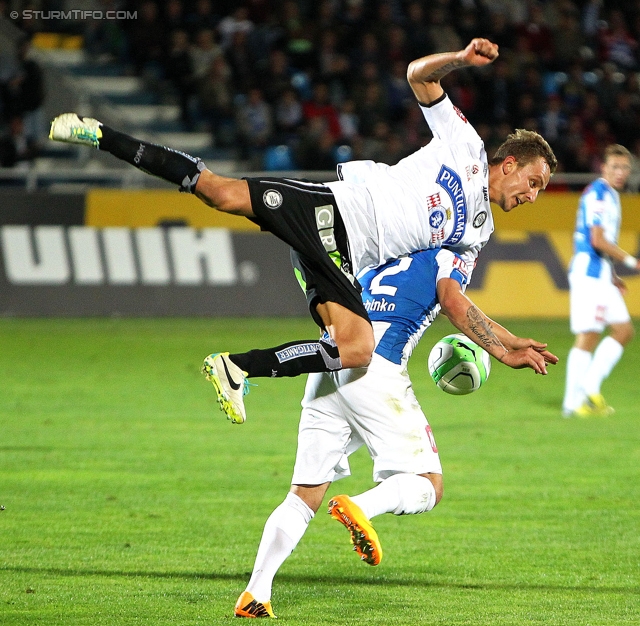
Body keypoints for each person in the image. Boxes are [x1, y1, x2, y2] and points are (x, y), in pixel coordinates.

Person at [48, 37, 558, 425]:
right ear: (509, 163)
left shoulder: (477, 232)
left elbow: (452, 298)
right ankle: (98, 134)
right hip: (332, 210)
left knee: (356, 349)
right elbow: (417, 76)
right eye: (533, 182)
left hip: (340, 260)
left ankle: (235, 367)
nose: (532, 195)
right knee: (218, 192)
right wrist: (462, 60)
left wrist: (505, 344)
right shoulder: (465, 146)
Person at [233, 246, 558, 618]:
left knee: (303, 494)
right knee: (429, 485)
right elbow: (454, 302)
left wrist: (510, 339)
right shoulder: (445, 255)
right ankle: (362, 507)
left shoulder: (384, 255)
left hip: (329, 364)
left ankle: (256, 593)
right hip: (375, 369)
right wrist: (504, 353)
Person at [562, 144, 639, 417]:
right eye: (614, 167)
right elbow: (597, 240)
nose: (620, 172)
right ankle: (572, 404)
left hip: (603, 274)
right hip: (589, 273)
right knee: (589, 335)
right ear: (603, 168)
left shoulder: (611, 195)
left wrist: (614, 275)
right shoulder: (598, 193)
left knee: (623, 331)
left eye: (624, 168)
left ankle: (590, 387)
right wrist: (631, 262)